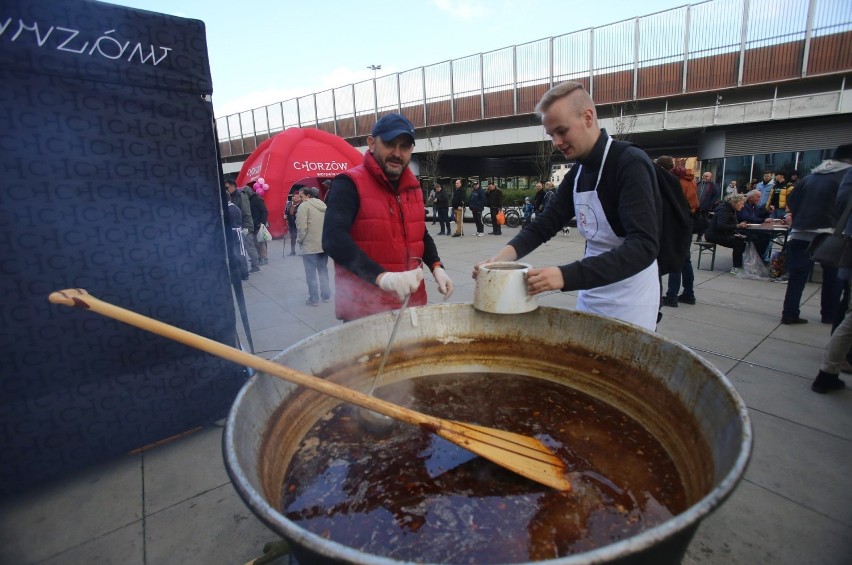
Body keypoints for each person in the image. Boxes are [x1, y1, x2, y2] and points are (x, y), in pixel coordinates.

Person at [474, 81, 660, 330]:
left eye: (562, 131)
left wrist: (564, 276)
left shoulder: (630, 163)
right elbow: (543, 225)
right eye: (551, 135)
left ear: (587, 117)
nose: (557, 142)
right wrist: (496, 262)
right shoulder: (578, 172)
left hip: (631, 297)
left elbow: (643, 246)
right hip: (592, 291)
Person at [322, 113, 453, 322]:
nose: (397, 153)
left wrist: (437, 267)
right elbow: (333, 238)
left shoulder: (413, 186)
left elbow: (421, 233)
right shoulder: (349, 183)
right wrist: (383, 278)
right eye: (390, 144)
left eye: (405, 147)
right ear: (372, 143)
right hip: (365, 310)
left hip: (412, 304)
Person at [780, 144, 852, 325]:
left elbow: (792, 200)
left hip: (801, 231)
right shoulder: (846, 176)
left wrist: (799, 218)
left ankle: (789, 313)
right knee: (833, 278)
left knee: (797, 276)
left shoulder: (811, 177)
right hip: (831, 233)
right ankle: (829, 314)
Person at [811, 167, 852, 393]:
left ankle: (829, 369)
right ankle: (830, 368)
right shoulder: (845, 177)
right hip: (828, 237)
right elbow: (843, 203)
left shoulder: (813, 179)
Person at [660, 156, 698, 307]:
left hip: (678, 223)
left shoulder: (674, 181)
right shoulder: (690, 180)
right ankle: (688, 293)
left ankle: (672, 296)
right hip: (688, 221)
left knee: (676, 258)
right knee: (685, 259)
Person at [296, 187, 331, 306]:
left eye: (301, 196)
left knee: (310, 275)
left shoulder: (304, 206)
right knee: (323, 272)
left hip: (310, 246)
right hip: (323, 244)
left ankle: (314, 299)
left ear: (308, 195)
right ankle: (326, 295)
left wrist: (299, 240)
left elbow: (302, 227)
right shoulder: (322, 204)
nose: (300, 199)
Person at [704, 193, 749, 275]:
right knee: (738, 243)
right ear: (735, 202)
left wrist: (735, 232)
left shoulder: (730, 209)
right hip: (713, 235)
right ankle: (736, 267)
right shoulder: (724, 209)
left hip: (720, 233)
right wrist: (737, 226)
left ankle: (740, 265)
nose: (743, 206)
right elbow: (721, 226)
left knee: (743, 239)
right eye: (741, 203)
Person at [225, 179, 258, 274]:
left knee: (248, 246)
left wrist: (247, 227)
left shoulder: (241, 196)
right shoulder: (231, 196)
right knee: (241, 247)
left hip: (244, 225)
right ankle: (244, 266)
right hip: (237, 225)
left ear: (233, 186)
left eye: (227, 187)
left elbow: (246, 212)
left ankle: (255, 266)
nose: (226, 190)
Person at [737, 188, 772, 260]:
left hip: (752, 227)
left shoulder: (754, 206)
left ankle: (760, 256)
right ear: (750, 198)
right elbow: (746, 217)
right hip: (743, 228)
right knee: (762, 236)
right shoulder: (743, 205)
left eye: (760, 197)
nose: (759, 199)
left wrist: (768, 212)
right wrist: (763, 220)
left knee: (767, 234)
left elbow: (759, 215)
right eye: (757, 197)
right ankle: (757, 257)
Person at [246, 182, 269, 266]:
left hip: (258, 223)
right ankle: (259, 256)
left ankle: (264, 257)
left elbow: (264, 211)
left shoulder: (257, 199)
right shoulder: (250, 200)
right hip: (253, 223)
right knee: (255, 241)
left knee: (261, 241)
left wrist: (262, 223)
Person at [695, 171, 719, 241]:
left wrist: (710, 204)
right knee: (695, 221)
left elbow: (715, 196)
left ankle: (700, 235)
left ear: (710, 177)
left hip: (705, 207)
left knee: (702, 221)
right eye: (703, 175)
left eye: (706, 176)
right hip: (696, 206)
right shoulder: (698, 184)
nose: (704, 177)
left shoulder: (713, 186)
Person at [285, 190, 301, 256]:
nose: (295, 198)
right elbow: (286, 211)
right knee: (292, 237)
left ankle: (303, 251)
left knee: (301, 238)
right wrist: (285, 214)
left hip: (298, 223)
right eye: (295, 196)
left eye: (297, 197)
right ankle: (292, 251)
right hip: (291, 223)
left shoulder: (302, 205)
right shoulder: (289, 203)